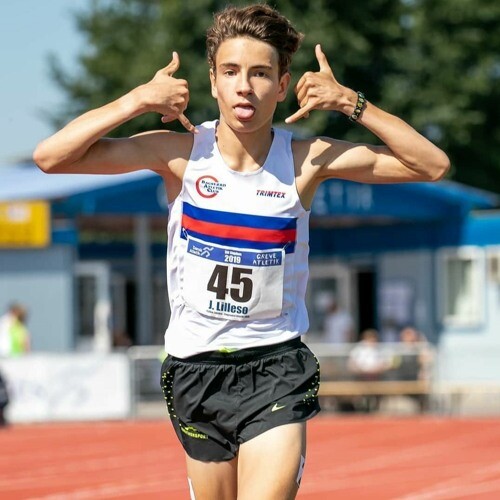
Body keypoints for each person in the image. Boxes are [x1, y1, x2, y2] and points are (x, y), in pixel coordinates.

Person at [33, 4, 449, 498]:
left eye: (260, 73)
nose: (244, 86)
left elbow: (431, 165)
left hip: (276, 366)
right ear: (212, 81)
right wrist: (137, 100)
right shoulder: (180, 153)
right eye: (230, 72)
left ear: (283, 83)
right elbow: (50, 158)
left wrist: (351, 103)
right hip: (194, 368)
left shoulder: (306, 160)